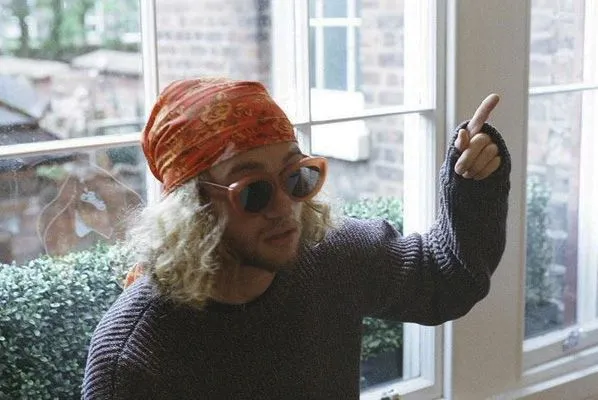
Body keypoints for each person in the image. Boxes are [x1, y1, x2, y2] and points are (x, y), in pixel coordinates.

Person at [83, 77, 510, 399]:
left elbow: (446, 279)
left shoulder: (332, 255)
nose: (285, 206)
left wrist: (472, 183)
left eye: (297, 177)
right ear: (193, 209)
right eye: (254, 191)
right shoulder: (136, 354)